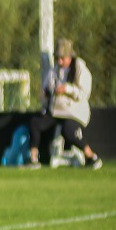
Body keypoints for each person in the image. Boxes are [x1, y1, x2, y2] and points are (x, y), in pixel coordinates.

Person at [29, 38, 102, 170]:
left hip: (74, 112)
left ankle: (91, 157)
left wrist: (67, 89)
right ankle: (33, 159)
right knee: (35, 123)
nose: (59, 61)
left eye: (62, 58)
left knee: (68, 130)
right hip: (56, 111)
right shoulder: (54, 71)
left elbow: (84, 93)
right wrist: (45, 94)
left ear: (70, 57)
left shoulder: (80, 68)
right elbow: (46, 88)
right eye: (57, 58)